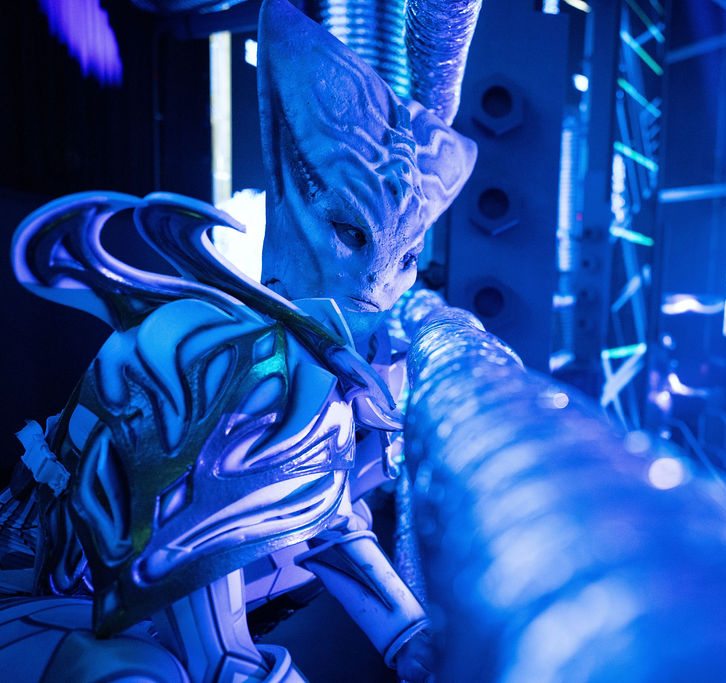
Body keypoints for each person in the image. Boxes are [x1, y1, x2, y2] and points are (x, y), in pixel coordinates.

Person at [0, 0, 477, 680]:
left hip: (125, 614)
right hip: (42, 598)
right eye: (353, 233)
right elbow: (199, 588)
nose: (378, 280)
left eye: (407, 258)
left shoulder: (316, 363)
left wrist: (410, 638)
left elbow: (328, 515)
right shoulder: (211, 348)